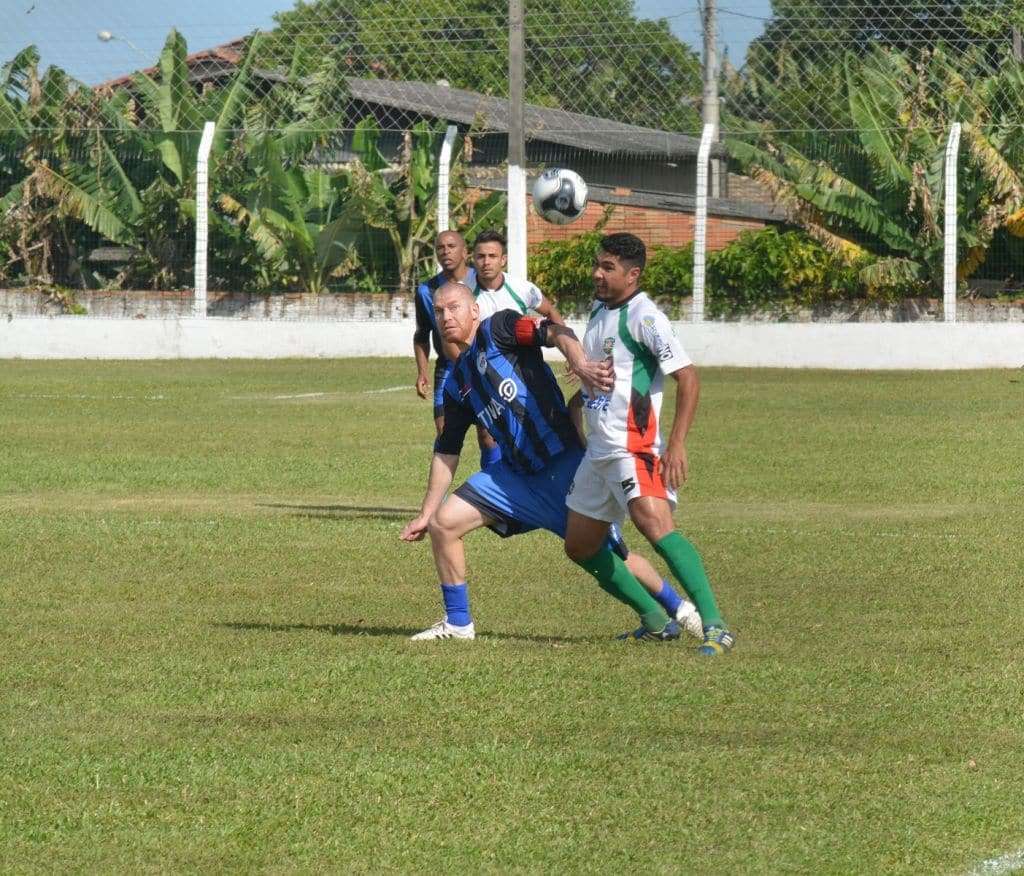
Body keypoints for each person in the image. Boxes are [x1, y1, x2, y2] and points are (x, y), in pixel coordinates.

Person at [399, 280, 701, 641]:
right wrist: (426, 512)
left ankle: (678, 610)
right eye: (439, 311)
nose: (446, 316)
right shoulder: (457, 382)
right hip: (513, 479)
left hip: (564, 469)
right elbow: (447, 450)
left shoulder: (501, 328)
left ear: (474, 310)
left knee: (611, 556)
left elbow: (555, 330)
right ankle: (459, 623)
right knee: (444, 524)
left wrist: (581, 363)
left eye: (454, 308)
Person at [563, 232, 735, 656]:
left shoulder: (645, 316)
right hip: (598, 454)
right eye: (597, 265)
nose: (597, 274)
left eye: (608, 268)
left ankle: (716, 625)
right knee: (581, 546)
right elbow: (604, 377)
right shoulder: (599, 311)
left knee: (656, 528)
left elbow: (688, 378)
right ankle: (656, 620)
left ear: (633, 274)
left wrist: (675, 444)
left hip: (631, 448)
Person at [413, 230, 500, 468]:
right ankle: (438, 500)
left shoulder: (480, 282)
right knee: (445, 433)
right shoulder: (426, 291)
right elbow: (422, 334)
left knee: (488, 433)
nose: (446, 252)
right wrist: (422, 372)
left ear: (464, 251)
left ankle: (492, 490)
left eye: (451, 246)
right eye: (440, 247)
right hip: (448, 370)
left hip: (482, 366)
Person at [472, 229, 563, 323]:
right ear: (474, 259)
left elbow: (550, 311)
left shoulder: (523, 288)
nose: (486, 262)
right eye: (481, 256)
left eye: (492, 256)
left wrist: (564, 335)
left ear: (503, 260)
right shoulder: (463, 289)